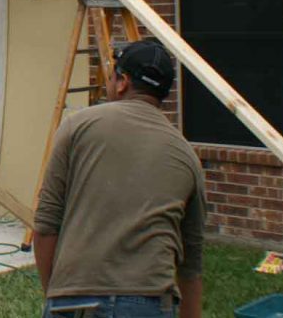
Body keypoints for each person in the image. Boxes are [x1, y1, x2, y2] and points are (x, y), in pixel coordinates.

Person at [34, 38, 205, 318]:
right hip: (150, 303)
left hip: (74, 298)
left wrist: (54, 300)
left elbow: (45, 225)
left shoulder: (77, 127)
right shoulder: (187, 155)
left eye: (112, 77)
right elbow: (191, 263)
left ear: (123, 82)